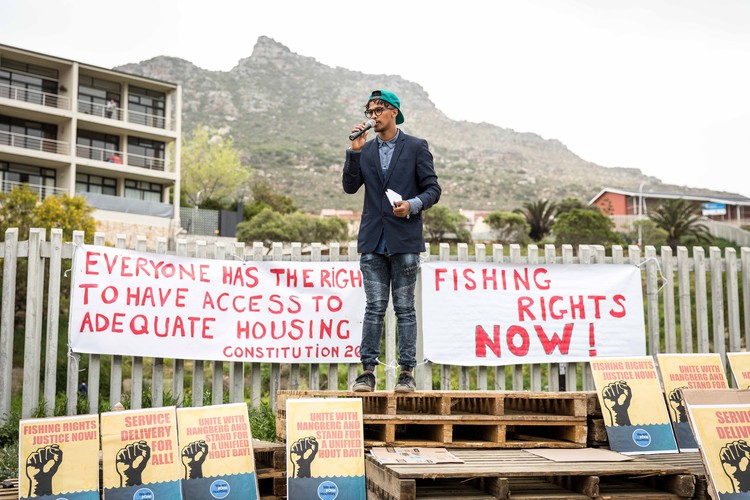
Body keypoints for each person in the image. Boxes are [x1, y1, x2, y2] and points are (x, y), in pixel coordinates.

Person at [343, 89, 441, 393]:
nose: (373, 116)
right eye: (369, 111)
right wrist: (354, 153)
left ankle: (406, 374)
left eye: (378, 110)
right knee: (374, 308)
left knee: (404, 309)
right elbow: (349, 187)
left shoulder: (415, 147)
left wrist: (412, 205)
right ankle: (367, 373)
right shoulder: (366, 150)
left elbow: (433, 189)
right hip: (373, 241)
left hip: (405, 241)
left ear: (394, 113)